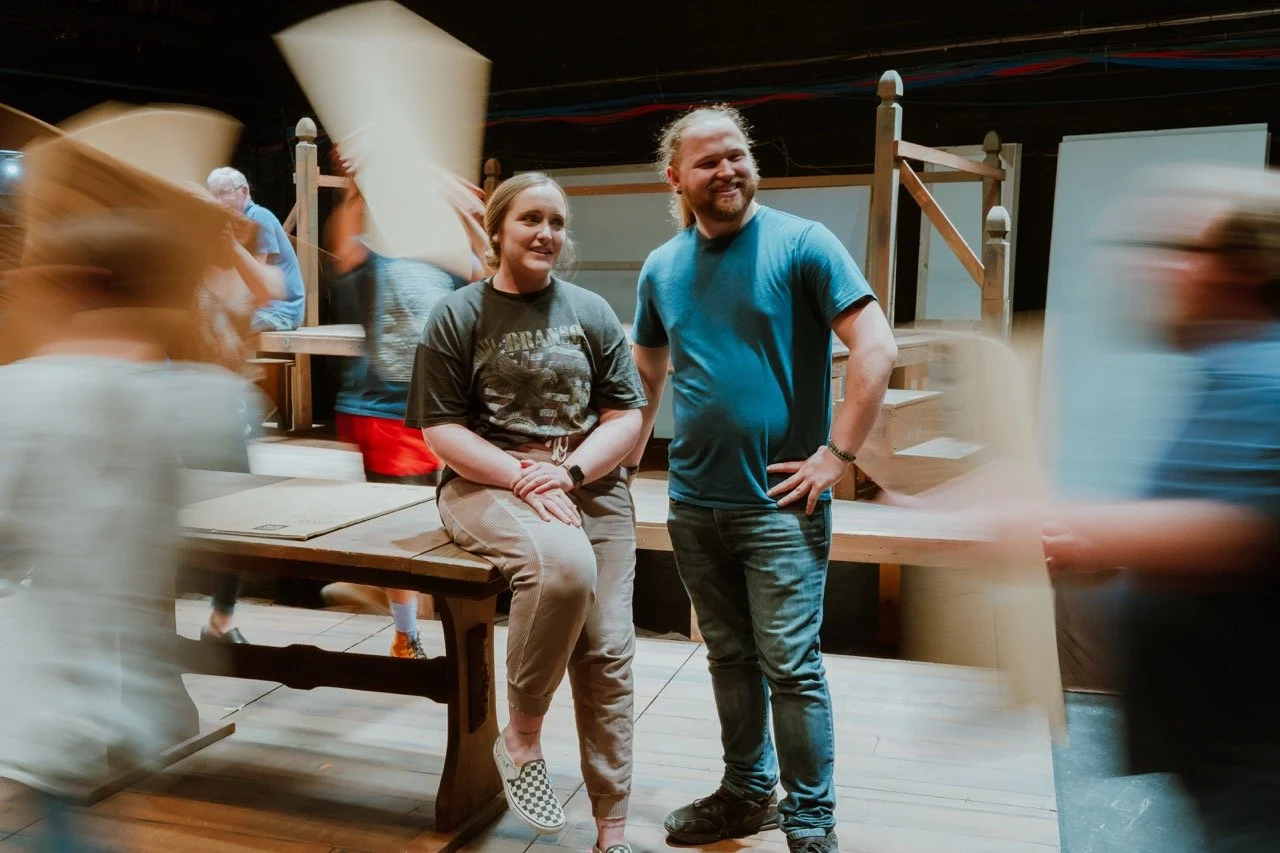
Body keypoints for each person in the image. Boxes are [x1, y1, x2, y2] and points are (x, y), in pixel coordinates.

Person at [624, 105, 898, 853]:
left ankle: (811, 820)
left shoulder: (802, 244)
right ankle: (748, 792)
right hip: (694, 502)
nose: (729, 170)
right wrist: (623, 463)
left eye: (738, 154)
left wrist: (837, 455)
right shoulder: (661, 267)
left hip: (780, 504)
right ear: (676, 176)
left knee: (791, 666)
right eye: (709, 161)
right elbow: (645, 379)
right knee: (729, 656)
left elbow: (875, 345)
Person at [1023, 180, 1280, 852]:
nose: (1153, 269)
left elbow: (1244, 527)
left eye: (1179, 250)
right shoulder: (1223, 375)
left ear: (1242, 266)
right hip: (1220, 767)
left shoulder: (1266, 374)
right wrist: (1102, 548)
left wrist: (1060, 515)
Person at [405, 171, 646, 852]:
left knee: (608, 651)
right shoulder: (457, 313)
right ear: (499, 229)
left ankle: (612, 829)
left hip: (587, 481)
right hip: (487, 482)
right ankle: (523, 736)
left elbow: (625, 415)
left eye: (557, 223)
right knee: (564, 570)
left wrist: (567, 472)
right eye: (530, 219)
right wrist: (523, 475)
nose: (546, 234)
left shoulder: (591, 311)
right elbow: (440, 430)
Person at [0, 207, 254, 852]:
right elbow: (232, 397)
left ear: (75, 285)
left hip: (35, 675)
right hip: (113, 689)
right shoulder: (178, 397)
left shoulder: (24, 393)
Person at [319, 149, 475, 658]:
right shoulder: (373, 258)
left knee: (444, 525)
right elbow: (342, 245)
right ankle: (406, 629)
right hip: (384, 414)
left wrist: (439, 184)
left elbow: (483, 266)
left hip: (439, 416)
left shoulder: (447, 266)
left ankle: (407, 614)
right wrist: (360, 184)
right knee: (408, 524)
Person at [206, 166, 306, 332]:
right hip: (264, 309)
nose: (217, 202)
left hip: (282, 311)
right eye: (213, 196)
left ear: (244, 191)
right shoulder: (235, 225)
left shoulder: (259, 217)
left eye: (223, 193)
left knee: (223, 329)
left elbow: (258, 281)